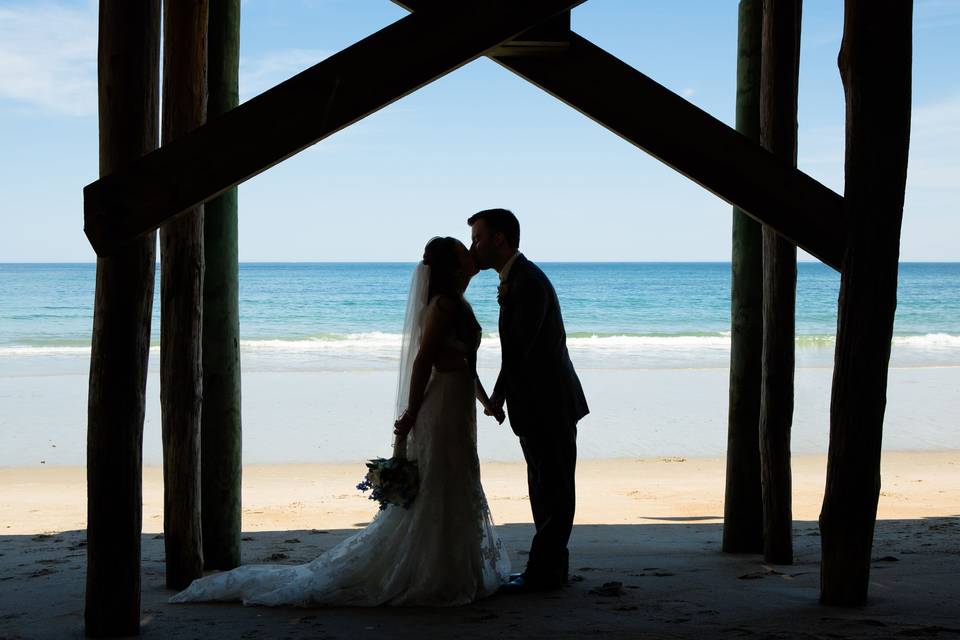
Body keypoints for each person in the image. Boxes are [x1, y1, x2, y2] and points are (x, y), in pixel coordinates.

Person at [170, 237, 510, 607]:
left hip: (460, 406)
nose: (471, 254)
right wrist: (411, 414)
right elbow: (423, 361)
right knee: (441, 480)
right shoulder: (443, 306)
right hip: (440, 406)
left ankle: (457, 566)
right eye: (464, 251)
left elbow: (465, 364)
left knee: (459, 476)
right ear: (453, 267)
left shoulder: (458, 303)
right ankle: (437, 571)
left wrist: (487, 401)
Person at [468, 208, 589, 593]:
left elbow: (522, 350)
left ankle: (545, 573)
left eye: (478, 238)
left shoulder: (527, 282)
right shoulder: (518, 278)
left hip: (548, 401)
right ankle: (549, 571)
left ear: (499, 240)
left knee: (553, 487)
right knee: (543, 484)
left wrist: (496, 395)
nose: (475, 247)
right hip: (538, 402)